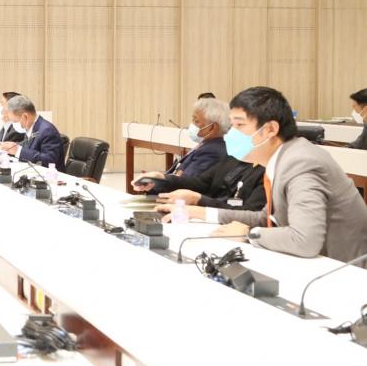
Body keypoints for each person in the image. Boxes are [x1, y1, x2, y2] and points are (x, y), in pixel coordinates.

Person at [208, 87, 367, 263]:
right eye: (231, 125)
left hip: (342, 270)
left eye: (239, 125)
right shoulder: (284, 157)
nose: (231, 133)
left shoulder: (301, 162)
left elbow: (305, 240)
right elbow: (265, 218)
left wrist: (248, 234)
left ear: (270, 129)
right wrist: (204, 213)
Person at [133, 156, 266, 220]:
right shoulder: (233, 159)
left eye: (240, 125)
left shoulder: (268, 171)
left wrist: (198, 200)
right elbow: (199, 183)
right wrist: (162, 178)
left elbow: (251, 214)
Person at [166, 97, 229, 178]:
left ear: (212, 127)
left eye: (196, 121)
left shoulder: (210, 152)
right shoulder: (206, 145)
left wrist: (158, 179)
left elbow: (184, 181)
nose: (192, 125)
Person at [0, 95, 66, 172]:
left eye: (14, 121)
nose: (13, 124)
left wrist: (18, 151)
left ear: (25, 117)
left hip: (51, 177)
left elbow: (50, 161)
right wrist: (14, 147)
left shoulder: (47, 130)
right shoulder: (31, 127)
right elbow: (31, 152)